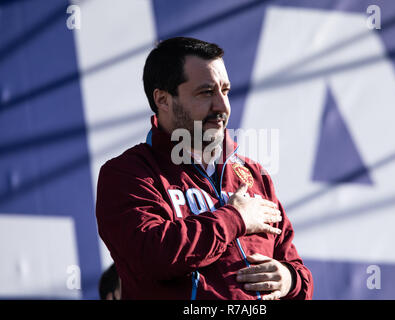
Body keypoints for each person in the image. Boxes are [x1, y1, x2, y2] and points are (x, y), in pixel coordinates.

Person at [95, 37, 313, 300]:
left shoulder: (254, 175)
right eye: (206, 92)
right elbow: (151, 256)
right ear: (163, 100)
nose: (222, 106)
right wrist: (234, 219)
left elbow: (298, 271)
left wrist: (289, 280)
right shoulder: (127, 174)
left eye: (225, 91)